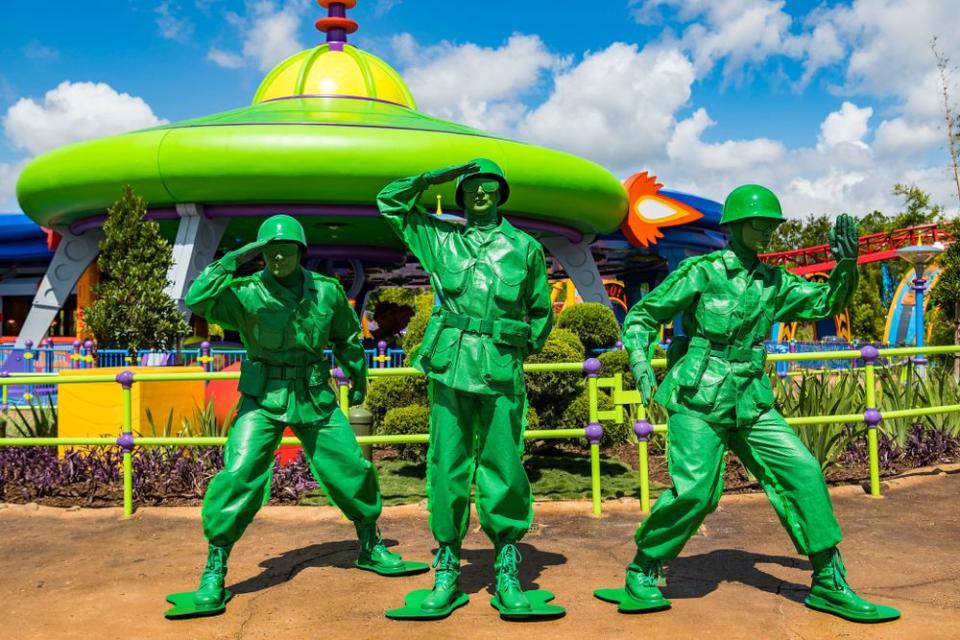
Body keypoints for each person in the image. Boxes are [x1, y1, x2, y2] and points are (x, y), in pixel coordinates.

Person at [597, 185, 900, 623]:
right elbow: (644, 316)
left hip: (750, 397)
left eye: (771, 226)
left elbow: (827, 301)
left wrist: (846, 265)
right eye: (758, 224)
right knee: (697, 490)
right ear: (735, 227)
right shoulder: (703, 272)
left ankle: (828, 580)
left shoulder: (774, 282)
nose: (766, 232)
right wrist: (642, 363)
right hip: (697, 394)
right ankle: (644, 568)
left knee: (802, 470)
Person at [164, 214, 425, 619]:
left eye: (287, 249)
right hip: (262, 397)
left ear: (302, 252)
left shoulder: (326, 292)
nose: (279, 256)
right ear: (261, 253)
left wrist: (358, 377)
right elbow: (197, 299)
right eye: (271, 249)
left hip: (315, 394)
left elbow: (346, 338)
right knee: (238, 473)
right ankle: (215, 565)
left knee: (351, 467)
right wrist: (235, 257)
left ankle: (370, 544)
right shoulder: (245, 293)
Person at [378, 160, 559, 619]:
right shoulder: (441, 238)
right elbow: (389, 202)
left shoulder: (525, 248)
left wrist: (515, 346)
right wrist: (432, 176)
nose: (480, 193)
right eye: (472, 187)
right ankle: (446, 562)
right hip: (449, 365)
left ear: (501, 193)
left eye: (488, 186)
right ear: (461, 196)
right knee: (446, 465)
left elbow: (540, 314)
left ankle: (506, 560)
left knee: (504, 464)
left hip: (499, 368)